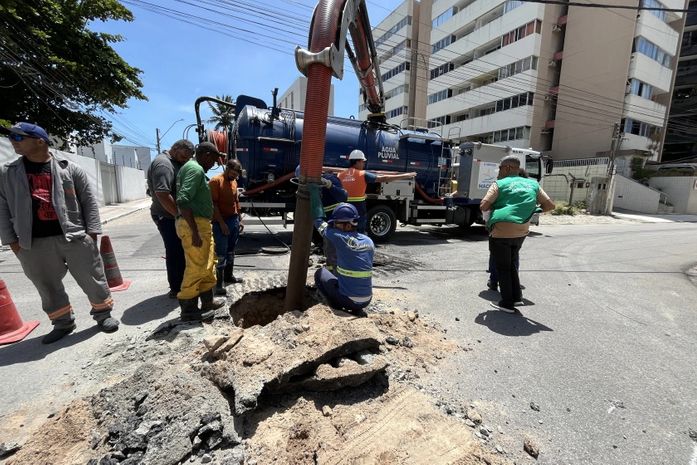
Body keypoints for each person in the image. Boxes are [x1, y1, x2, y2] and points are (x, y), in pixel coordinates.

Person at [0, 122, 119, 343]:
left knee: (92, 279)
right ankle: (63, 322)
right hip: (32, 242)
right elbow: (2, 207)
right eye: (12, 138)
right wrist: (12, 242)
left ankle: (103, 315)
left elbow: (89, 203)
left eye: (18, 138)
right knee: (46, 285)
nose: (13, 142)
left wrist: (91, 235)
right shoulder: (8, 173)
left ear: (39, 141)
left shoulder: (70, 169)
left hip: (74, 236)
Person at [480, 155, 555, 313]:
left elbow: (484, 206)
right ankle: (517, 297)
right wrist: (530, 211)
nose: (498, 172)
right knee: (512, 263)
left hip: (501, 230)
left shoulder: (499, 184)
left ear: (507, 168)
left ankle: (507, 303)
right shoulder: (533, 184)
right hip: (521, 230)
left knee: (503, 267)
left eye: (500, 168)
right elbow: (549, 205)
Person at [175, 141, 227, 321]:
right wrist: (194, 232)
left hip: (202, 224)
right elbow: (183, 200)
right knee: (196, 267)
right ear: (205, 155)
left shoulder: (195, 170)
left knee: (208, 265)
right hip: (194, 225)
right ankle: (188, 309)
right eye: (213, 159)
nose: (214, 164)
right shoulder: (195, 170)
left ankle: (207, 302)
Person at [310, 184, 375, 316]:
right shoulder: (368, 241)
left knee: (320, 273)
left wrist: (313, 191)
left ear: (346, 225)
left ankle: (337, 308)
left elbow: (318, 220)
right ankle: (357, 309)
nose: (334, 226)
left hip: (348, 301)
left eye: (336, 223)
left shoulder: (339, 237)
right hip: (367, 300)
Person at [147, 139, 194, 298]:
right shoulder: (164, 164)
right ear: (176, 148)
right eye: (184, 157)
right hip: (167, 216)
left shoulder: (172, 162)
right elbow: (162, 194)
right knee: (175, 251)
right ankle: (177, 289)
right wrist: (178, 215)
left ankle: (181, 285)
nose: (186, 160)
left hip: (172, 215)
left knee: (180, 251)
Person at [337, 149, 417, 234]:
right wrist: (407, 175)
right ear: (358, 161)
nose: (364, 164)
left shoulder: (340, 175)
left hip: (343, 208)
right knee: (358, 231)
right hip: (358, 208)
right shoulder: (362, 174)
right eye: (363, 162)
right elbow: (383, 178)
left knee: (343, 230)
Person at [210, 158, 244, 296]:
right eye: (234, 173)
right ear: (227, 169)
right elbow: (214, 205)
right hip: (221, 222)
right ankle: (219, 284)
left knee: (231, 251)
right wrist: (222, 223)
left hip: (233, 220)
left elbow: (236, 201)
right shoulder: (215, 181)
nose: (235, 177)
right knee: (221, 253)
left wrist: (239, 219)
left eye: (237, 175)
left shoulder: (234, 182)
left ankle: (229, 276)